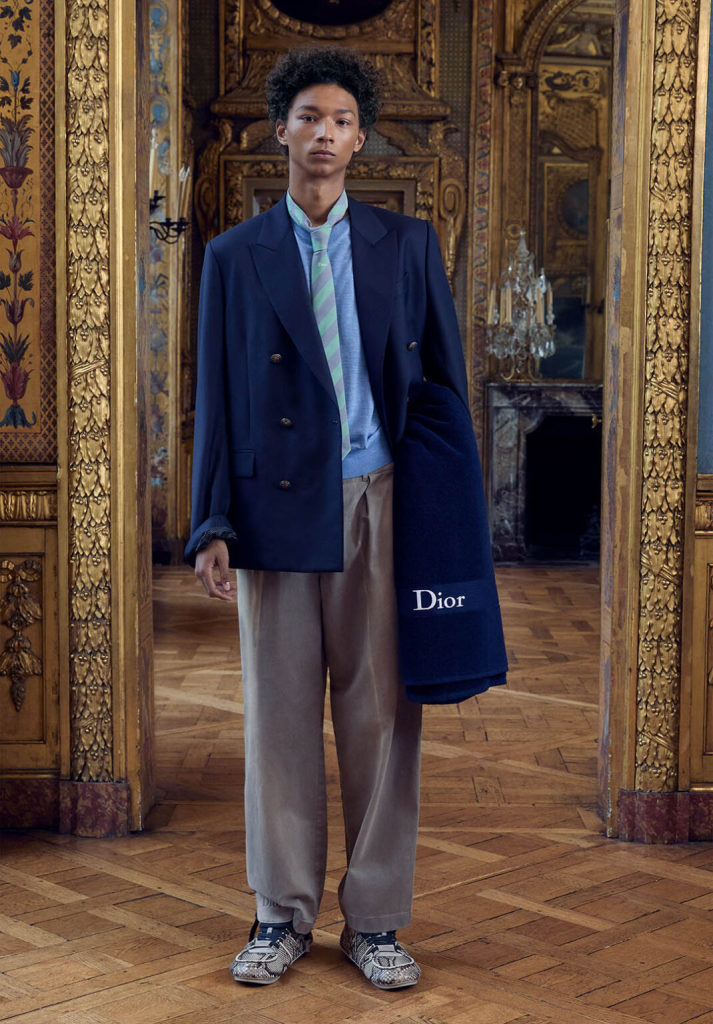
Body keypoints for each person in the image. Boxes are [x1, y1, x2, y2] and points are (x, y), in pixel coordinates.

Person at [184, 44, 471, 990]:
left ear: (359, 139)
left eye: (342, 121)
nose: (325, 133)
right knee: (276, 719)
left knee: (382, 716)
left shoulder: (407, 244)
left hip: (379, 501)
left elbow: (441, 393)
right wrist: (211, 521)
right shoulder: (234, 255)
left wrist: (447, 516)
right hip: (271, 514)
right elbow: (217, 398)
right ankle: (279, 915)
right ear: (281, 130)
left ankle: (376, 921)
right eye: (309, 116)